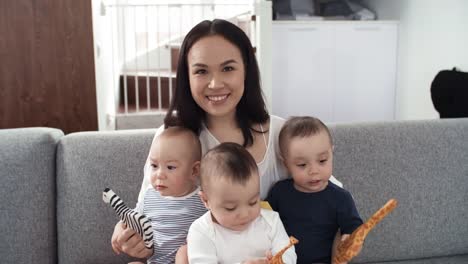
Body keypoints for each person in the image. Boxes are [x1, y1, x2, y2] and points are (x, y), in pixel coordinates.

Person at [111, 18, 342, 258]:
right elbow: (151, 211)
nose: (215, 83)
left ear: (247, 71)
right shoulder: (170, 137)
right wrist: (129, 234)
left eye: (228, 68)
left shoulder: (282, 135)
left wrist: (342, 241)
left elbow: (331, 194)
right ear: (187, 78)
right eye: (201, 71)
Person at [266, 116, 363, 264]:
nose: (314, 171)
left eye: (322, 161)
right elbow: (265, 221)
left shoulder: (340, 197)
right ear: (286, 164)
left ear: (332, 153)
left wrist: (348, 239)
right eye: (302, 164)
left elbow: (354, 227)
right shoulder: (279, 192)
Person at [188, 142, 296, 264]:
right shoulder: (202, 231)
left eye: (253, 202)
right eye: (231, 208)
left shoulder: (271, 221)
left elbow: (289, 253)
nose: (245, 214)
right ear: (206, 200)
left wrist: (279, 261)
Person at [127, 126, 207, 264]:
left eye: (170, 167)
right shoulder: (149, 197)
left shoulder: (202, 198)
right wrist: (123, 228)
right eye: (154, 166)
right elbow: (131, 220)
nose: (159, 174)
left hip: (186, 260)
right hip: (155, 261)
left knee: (184, 254)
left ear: (194, 171)